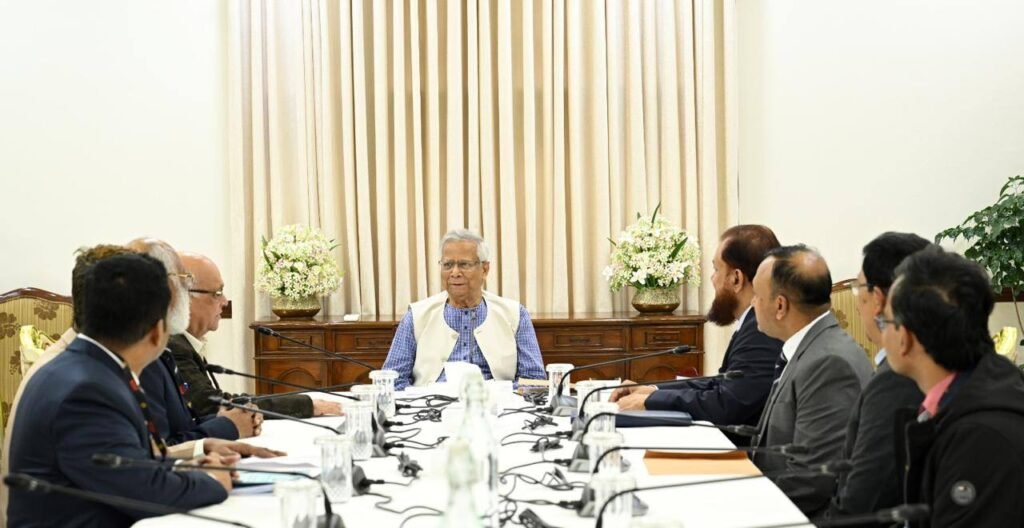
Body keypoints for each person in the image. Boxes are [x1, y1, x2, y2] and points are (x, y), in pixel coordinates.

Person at [7, 254, 231, 526]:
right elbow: (145, 493)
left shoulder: (90, 368)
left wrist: (182, 469)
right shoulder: (87, 392)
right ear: (157, 330)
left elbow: (126, 467)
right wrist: (213, 481)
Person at [883, 247, 1024, 526]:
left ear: (905, 338)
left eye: (884, 321)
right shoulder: (975, 394)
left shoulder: (980, 438)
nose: (881, 331)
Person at [609, 225, 784, 442]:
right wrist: (651, 391)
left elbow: (727, 404)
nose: (712, 279)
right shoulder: (752, 323)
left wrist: (650, 401)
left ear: (736, 278)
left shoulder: (761, 330)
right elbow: (716, 384)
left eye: (716, 269)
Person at [750, 244, 872, 517]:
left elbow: (810, 481)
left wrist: (740, 507)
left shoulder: (828, 364)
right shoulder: (811, 347)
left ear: (780, 306)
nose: (752, 303)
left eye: (757, 295)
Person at [169, 252, 342, 418]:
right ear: (184, 297)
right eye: (218, 293)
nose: (225, 302)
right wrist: (307, 405)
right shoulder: (173, 346)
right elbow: (211, 405)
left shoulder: (182, 341)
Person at [828, 233, 928, 519]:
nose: (856, 301)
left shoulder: (897, 379)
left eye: (857, 288)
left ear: (878, 299)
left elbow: (863, 502)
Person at [127, 239, 258, 443]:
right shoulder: (144, 354)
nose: (225, 302)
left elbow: (184, 423)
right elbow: (159, 449)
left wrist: (233, 418)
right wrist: (229, 426)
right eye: (180, 285)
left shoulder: (160, 348)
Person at [383, 229, 546, 389]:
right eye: (447, 265)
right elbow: (392, 381)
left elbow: (535, 380)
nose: (455, 273)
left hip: (495, 403)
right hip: (430, 403)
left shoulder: (515, 314)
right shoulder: (416, 316)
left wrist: (496, 392)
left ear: (485, 269)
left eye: (464, 264)